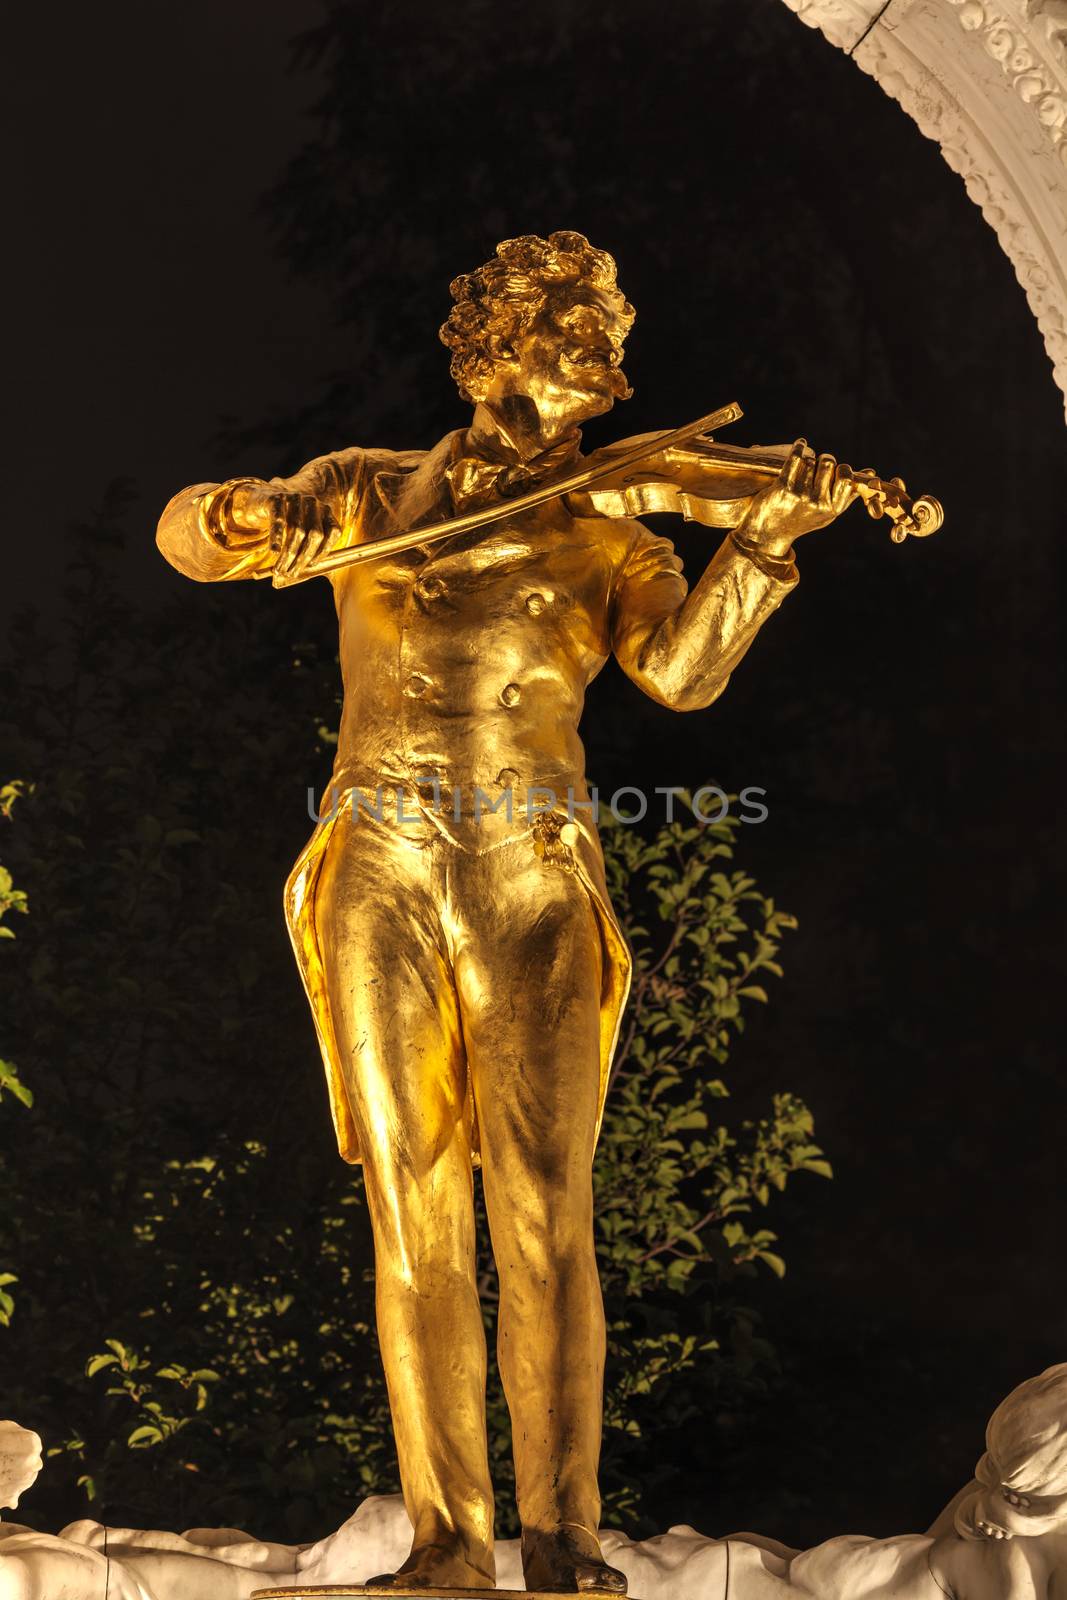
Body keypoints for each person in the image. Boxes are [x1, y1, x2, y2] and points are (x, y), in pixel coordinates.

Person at [156, 230, 853, 1593]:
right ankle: (448, 1539)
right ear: (499, 341)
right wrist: (251, 515)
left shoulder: (613, 523)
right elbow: (189, 536)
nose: (611, 350)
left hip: (529, 863)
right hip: (375, 859)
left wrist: (764, 544)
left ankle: (567, 1535)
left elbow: (681, 676)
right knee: (414, 1208)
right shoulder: (367, 489)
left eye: (612, 328)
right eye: (582, 323)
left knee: (543, 1205)